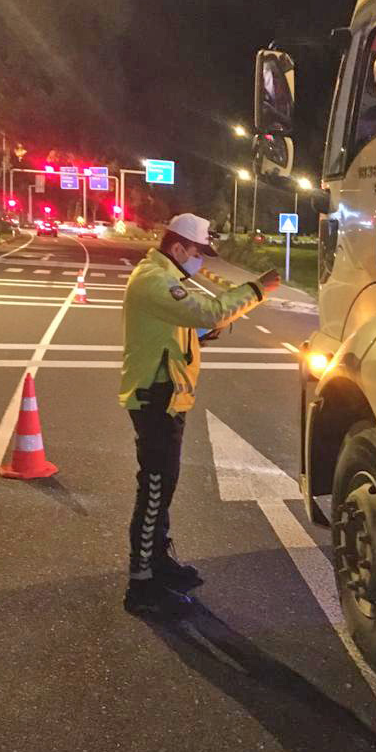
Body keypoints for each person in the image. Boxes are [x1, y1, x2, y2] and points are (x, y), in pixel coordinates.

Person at [119, 212, 280, 616]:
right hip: (154, 398)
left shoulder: (166, 276)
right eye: (197, 252)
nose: (201, 260)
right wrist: (257, 290)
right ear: (177, 248)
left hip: (168, 396)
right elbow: (207, 312)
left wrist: (202, 335)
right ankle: (141, 585)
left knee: (163, 487)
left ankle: (158, 564)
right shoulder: (153, 279)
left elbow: (183, 327)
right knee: (155, 490)